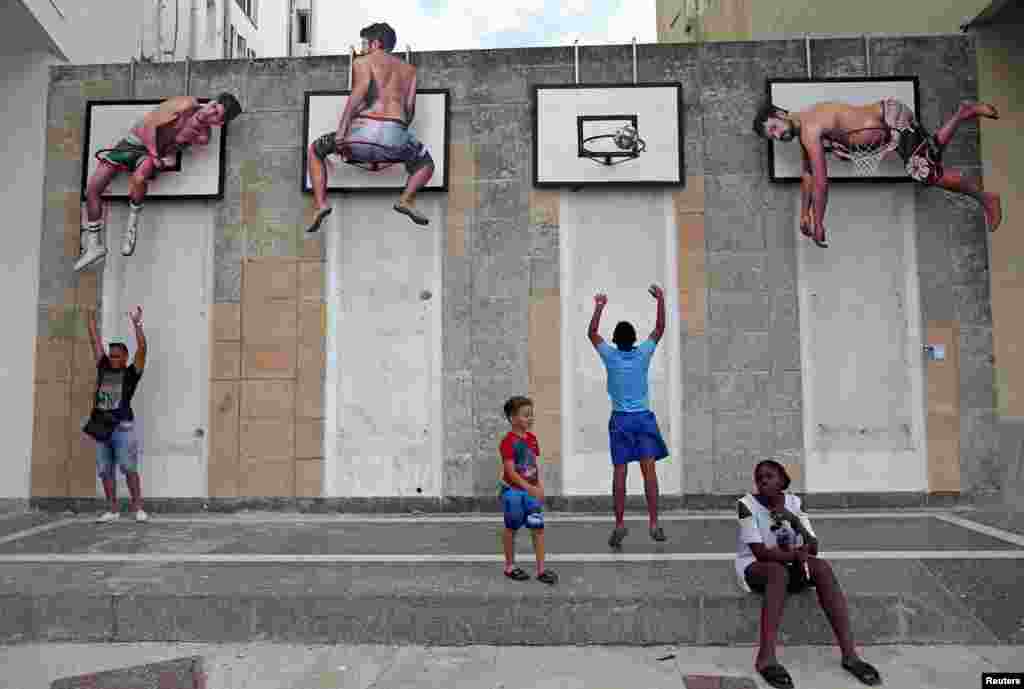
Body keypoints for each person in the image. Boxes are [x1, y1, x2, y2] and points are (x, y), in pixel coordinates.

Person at [753, 99, 1002, 247]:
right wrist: (804, 213)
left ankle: (985, 198)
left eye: (774, 128)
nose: (777, 135)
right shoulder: (805, 127)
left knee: (926, 174)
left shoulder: (809, 129)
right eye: (772, 136)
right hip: (890, 116)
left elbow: (820, 182)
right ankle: (963, 112)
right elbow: (807, 174)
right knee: (930, 155)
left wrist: (818, 222)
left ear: (781, 114)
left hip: (891, 121)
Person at [736, 460, 881, 688]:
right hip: (756, 568)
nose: (763, 481)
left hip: (790, 564)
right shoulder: (746, 505)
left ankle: (850, 655)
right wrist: (796, 555)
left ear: (783, 481)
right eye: (759, 478)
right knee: (776, 572)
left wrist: (793, 521)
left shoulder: (794, 503)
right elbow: (760, 552)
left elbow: (813, 546)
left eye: (770, 476)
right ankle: (766, 658)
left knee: (821, 567)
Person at [76, 93, 242, 272]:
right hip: (136, 142)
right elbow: (149, 125)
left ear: (219, 123)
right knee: (92, 189)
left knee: (139, 178)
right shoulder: (186, 104)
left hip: (148, 155)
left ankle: (131, 225)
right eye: (213, 107)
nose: (210, 113)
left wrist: (166, 157)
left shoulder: (201, 137)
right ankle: (94, 245)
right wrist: (156, 154)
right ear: (211, 102)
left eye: (216, 115)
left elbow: (171, 147)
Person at [306, 22, 435, 233]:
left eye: (364, 43)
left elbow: (359, 92)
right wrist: (395, 133)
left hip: (360, 136)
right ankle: (406, 199)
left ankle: (320, 204)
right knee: (426, 163)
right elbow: (409, 111)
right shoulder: (410, 70)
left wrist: (342, 129)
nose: (362, 48)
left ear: (375, 43)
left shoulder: (363, 61)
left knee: (315, 150)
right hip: (395, 140)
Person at [587, 285, 669, 549]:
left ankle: (620, 522)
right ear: (634, 339)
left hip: (620, 420)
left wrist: (600, 306)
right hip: (643, 419)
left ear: (615, 339)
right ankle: (654, 522)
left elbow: (592, 333)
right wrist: (660, 300)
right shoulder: (643, 353)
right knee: (649, 473)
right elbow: (659, 329)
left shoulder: (610, 356)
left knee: (620, 474)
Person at [85, 306, 149, 523]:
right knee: (104, 469)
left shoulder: (132, 373)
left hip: (123, 427)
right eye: (110, 355)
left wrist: (137, 324)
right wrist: (91, 320)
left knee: (128, 467)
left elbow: (142, 349)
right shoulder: (103, 366)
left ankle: (138, 507)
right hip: (102, 426)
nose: (112, 359)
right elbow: (95, 342)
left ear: (125, 358)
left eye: (117, 356)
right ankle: (112, 510)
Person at [498, 396, 557, 585]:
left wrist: (538, 486)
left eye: (531, 415)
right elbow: (510, 472)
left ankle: (541, 570)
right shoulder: (508, 442)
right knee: (511, 527)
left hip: (531, 492)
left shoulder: (532, 439)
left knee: (537, 528)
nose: (530, 419)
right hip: (513, 493)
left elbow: (532, 465)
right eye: (525, 415)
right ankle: (509, 566)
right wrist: (530, 487)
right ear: (512, 418)